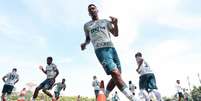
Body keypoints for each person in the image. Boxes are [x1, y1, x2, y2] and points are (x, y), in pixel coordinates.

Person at [81, 4, 138, 101]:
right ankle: (134, 99)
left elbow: (115, 34)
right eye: (90, 9)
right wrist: (85, 44)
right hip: (101, 50)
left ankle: (105, 95)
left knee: (118, 74)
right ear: (89, 13)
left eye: (93, 8)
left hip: (111, 48)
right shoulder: (87, 25)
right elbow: (87, 38)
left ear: (97, 10)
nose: (92, 10)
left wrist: (116, 24)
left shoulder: (105, 22)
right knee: (115, 73)